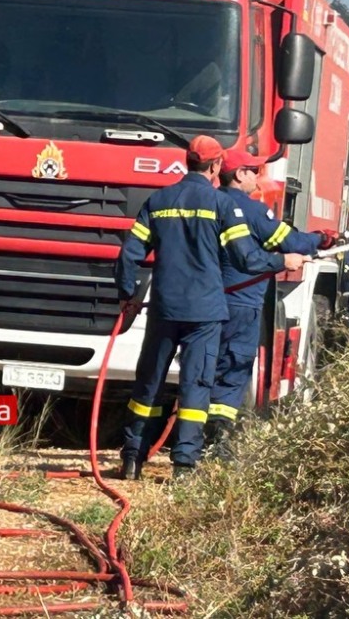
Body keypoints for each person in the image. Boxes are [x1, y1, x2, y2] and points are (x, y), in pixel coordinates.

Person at [115, 136, 307, 480]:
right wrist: (283, 260)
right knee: (196, 385)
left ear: (187, 161)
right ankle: (184, 466)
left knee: (149, 383)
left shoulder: (158, 201)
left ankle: (132, 459)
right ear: (216, 166)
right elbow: (245, 258)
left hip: (164, 309)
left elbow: (130, 254)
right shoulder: (222, 206)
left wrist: (127, 295)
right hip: (204, 313)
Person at [205, 149, 333, 458]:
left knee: (203, 367)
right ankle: (217, 442)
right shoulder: (250, 210)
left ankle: (187, 439)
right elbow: (288, 241)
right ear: (239, 175)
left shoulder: (209, 204)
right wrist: (321, 239)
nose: (257, 177)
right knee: (233, 369)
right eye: (254, 171)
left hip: (204, 303)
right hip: (241, 304)